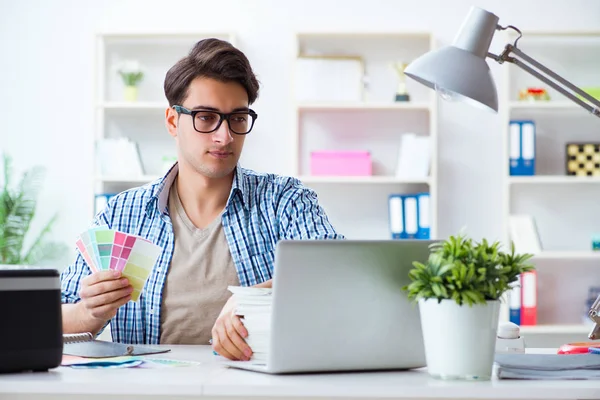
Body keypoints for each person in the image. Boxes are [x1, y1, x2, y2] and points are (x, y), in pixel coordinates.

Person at [60, 38, 344, 361]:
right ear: (172, 121)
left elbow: (341, 271)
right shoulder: (122, 215)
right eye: (206, 117)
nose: (225, 137)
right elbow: (50, 318)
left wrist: (255, 298)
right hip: (149, 390)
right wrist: (89, 314)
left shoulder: (284, 201)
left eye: (237, 118)